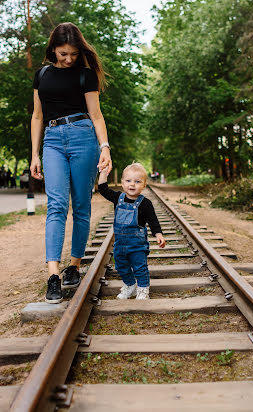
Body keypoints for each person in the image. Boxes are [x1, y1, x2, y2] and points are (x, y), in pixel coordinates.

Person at [30, 22, 112, 304]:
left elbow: (97, 115)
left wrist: (105, 148)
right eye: (64, 53)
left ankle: (74, 266)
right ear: (53, 49)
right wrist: (34, 154)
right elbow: (37, 116)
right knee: (56, 205)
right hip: (52, 140)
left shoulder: (86, 76)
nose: (68, 59)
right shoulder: (41, 74)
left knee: (81, 205)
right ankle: (53, 275)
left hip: (83, 138)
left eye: (73, 54)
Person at [98, 163, 165, 300]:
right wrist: (103, 173)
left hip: (137, 245)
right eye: (128, 181)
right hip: (120, 244)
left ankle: (143, 289)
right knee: (121, 266)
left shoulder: (145, 203)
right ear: (122, 183)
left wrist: (158, 234)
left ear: (144, 185)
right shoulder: (118, 198)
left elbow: (153, 221)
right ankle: (130, 285)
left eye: (137, 181)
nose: (132, 185)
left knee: (140, 267)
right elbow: (103, 189)